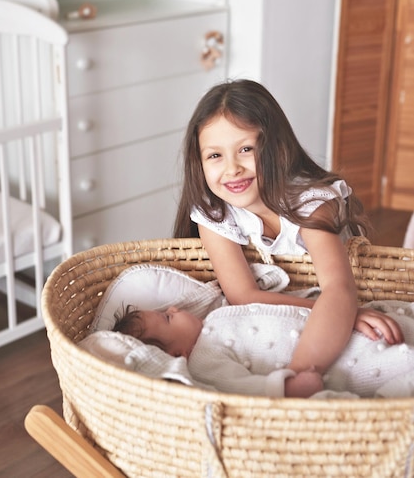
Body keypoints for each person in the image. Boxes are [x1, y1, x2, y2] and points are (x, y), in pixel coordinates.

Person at [172, 79, 403, 377]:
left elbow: (338, 290)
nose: (232, 169)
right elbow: (243, 296)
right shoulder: (215, 214)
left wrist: (300, 373)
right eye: (215, 155)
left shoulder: (312, 203)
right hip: (310, 311)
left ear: (278, 150)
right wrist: (347, 316)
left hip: (338, 301)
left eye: (245, 149)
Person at [113, 302, 414, 399]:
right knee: (398, 367)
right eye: (168, 317)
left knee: (398, 326)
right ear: (177, 355)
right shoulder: (204, 361)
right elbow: (245, 389)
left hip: (337, 327)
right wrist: (290, 387)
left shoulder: (214, 317)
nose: (175, 307)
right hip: (347, 362)